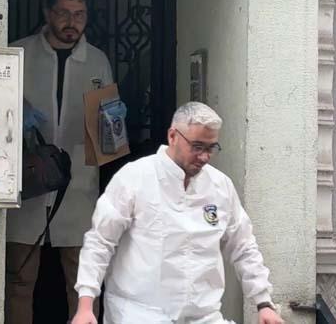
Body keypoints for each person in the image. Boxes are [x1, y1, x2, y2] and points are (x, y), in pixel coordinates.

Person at [72, 102, 284, 324]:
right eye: (197, 146)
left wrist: (263, 303)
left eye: (211, 148)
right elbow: (100, 242)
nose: (204, 156)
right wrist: (85, 305)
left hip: (203, 315)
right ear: (173, 136)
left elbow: (243, 246)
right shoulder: (135, 178)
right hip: (139, 313)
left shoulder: (220, 186)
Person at [5, 0, 112, 323]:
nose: (71, 22)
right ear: (47, 13)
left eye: (79, 14)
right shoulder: (18, 53)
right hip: (27, 180)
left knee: (83, 284)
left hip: (77, 185)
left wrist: (112, 124)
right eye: (64, 13)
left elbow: (109, 142)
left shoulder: (97, 61)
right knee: (19, 279)